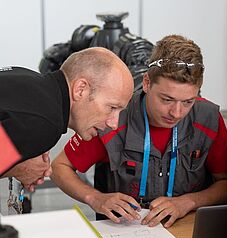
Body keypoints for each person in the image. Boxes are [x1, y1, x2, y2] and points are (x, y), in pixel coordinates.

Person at [51, 35, 227, 228]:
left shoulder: (208, 119)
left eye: (188, 101)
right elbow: (59, 168)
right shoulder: (112, 119)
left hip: (187, 227)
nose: (177, 113)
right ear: (147, 83)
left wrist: (188, 202)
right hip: (125, 230)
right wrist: (95, 198)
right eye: (167, 99)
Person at [0, 47, 134, 191]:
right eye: (112, 108)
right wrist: (19, 169)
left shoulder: (28, 78)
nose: (114, 124)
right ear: (80, 89)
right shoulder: (46, 123)